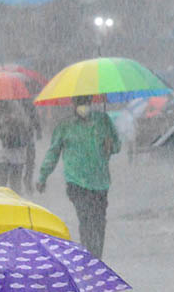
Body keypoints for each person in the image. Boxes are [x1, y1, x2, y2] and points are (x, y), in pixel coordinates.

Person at [37, 95, 121, 259]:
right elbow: (53, 153)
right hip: (76, 182)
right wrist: (42, 176)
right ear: (73, 104)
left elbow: (117, 145)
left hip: (100, 181)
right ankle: (89, 257)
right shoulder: (65, 127)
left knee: (99, 222)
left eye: (86, 102)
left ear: (91, 102)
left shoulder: (103, 121)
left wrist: (111, 145)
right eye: (79, 102)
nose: (83, 106)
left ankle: (97, 257)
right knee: (85, 219)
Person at [0, 100, 30, 193]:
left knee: (15, 184)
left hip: (16, 151)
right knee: (1, 183)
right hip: (0, 153)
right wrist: (1, 131)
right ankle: (2, 204)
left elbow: (26, 124)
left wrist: (13, 121)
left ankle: (15, 204)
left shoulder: (16, 108)